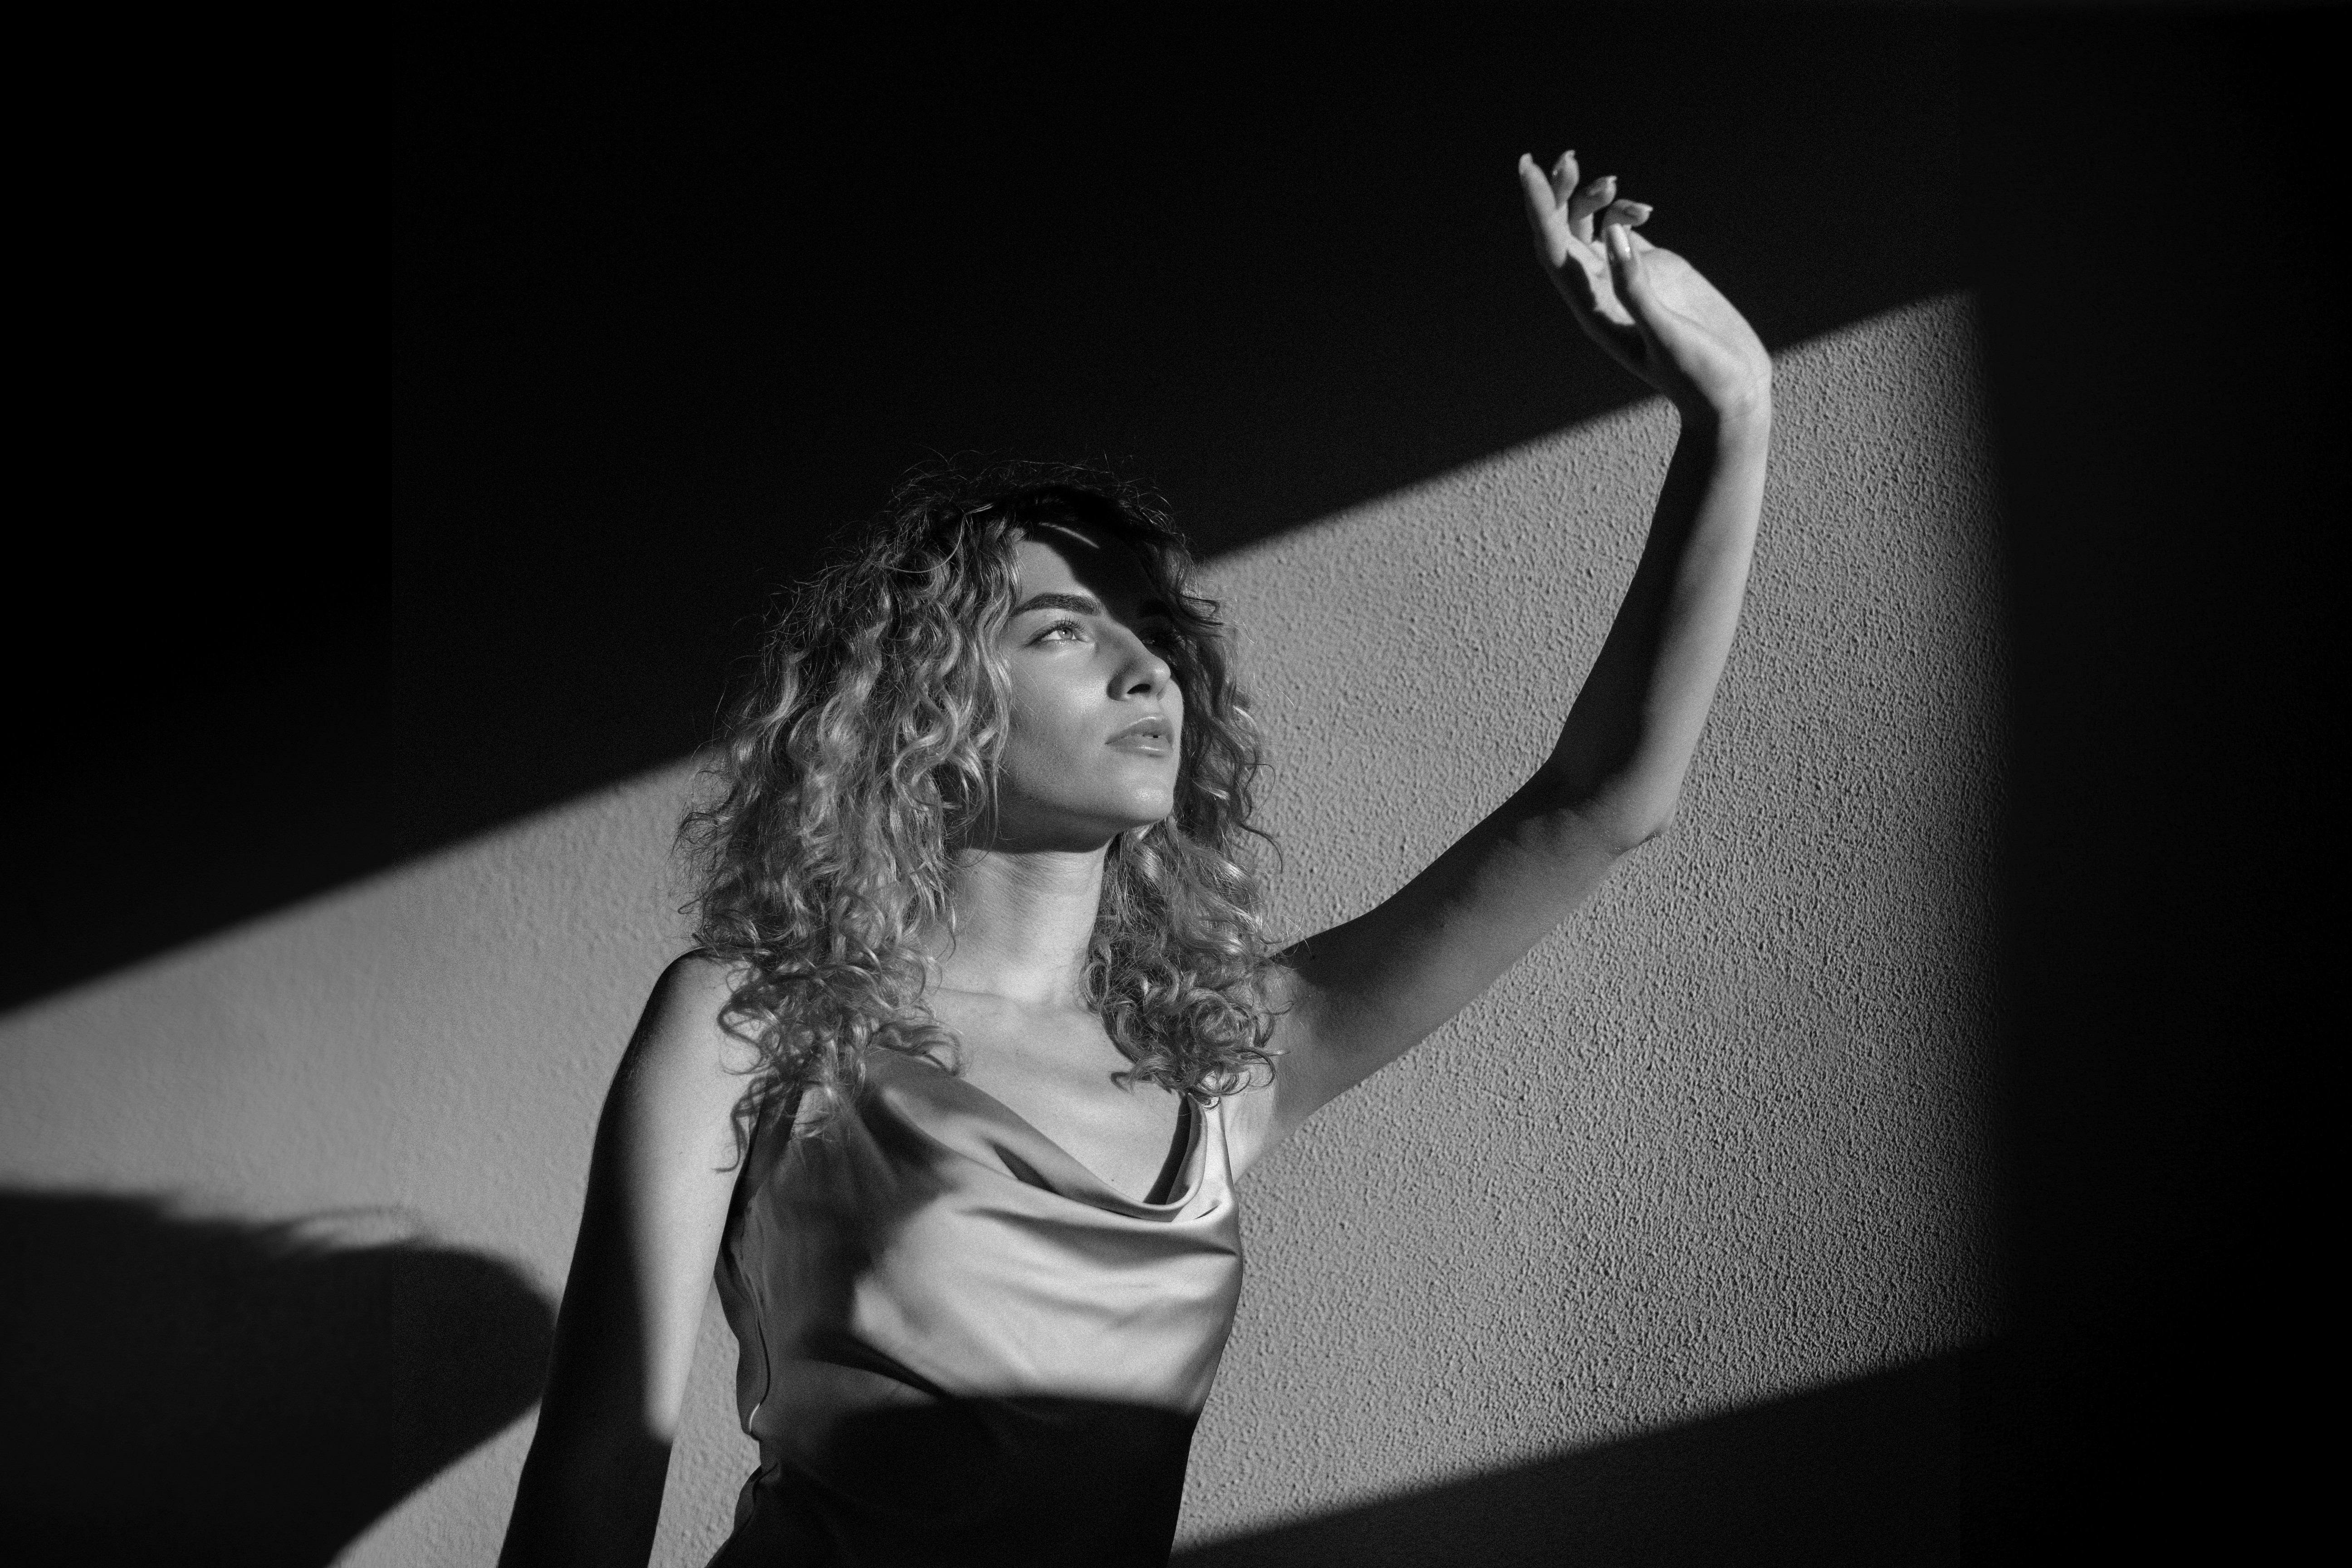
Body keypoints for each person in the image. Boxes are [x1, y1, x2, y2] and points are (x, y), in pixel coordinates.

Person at [500, 148, 1772, 1567]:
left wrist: (1731, 412)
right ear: (922, 710)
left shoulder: (1223, 1059)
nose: (1146, 666)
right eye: (1064, 630)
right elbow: (594, 1484)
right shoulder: (756, 1022)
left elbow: (1599, 805)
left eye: (1155, 633)